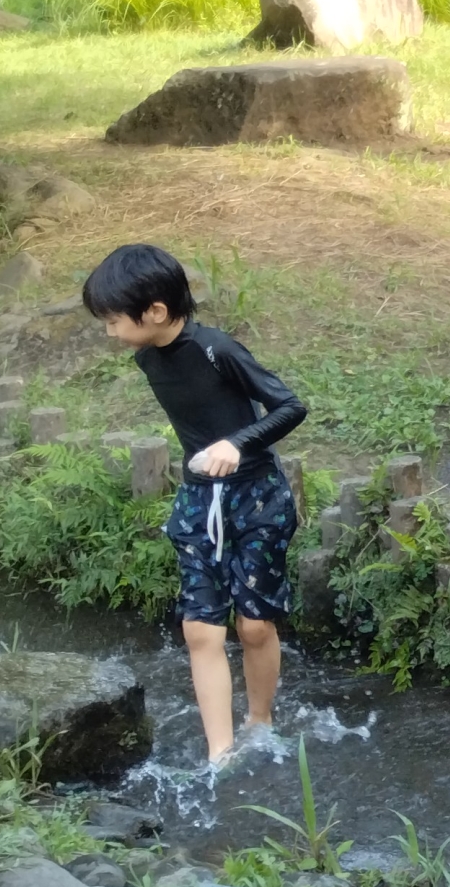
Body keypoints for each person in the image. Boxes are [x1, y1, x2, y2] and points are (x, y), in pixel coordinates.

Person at [82, 244, 308, 765]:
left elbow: (291, 406)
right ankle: (219, 754)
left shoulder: (216, 350)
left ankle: (260, 723)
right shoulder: (148, 358)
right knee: (199, 629)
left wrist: (237, 443)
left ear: (155, 311)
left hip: (257, 500)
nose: (109, 332)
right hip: (198, 500)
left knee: (254, 626)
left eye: (114, 320)